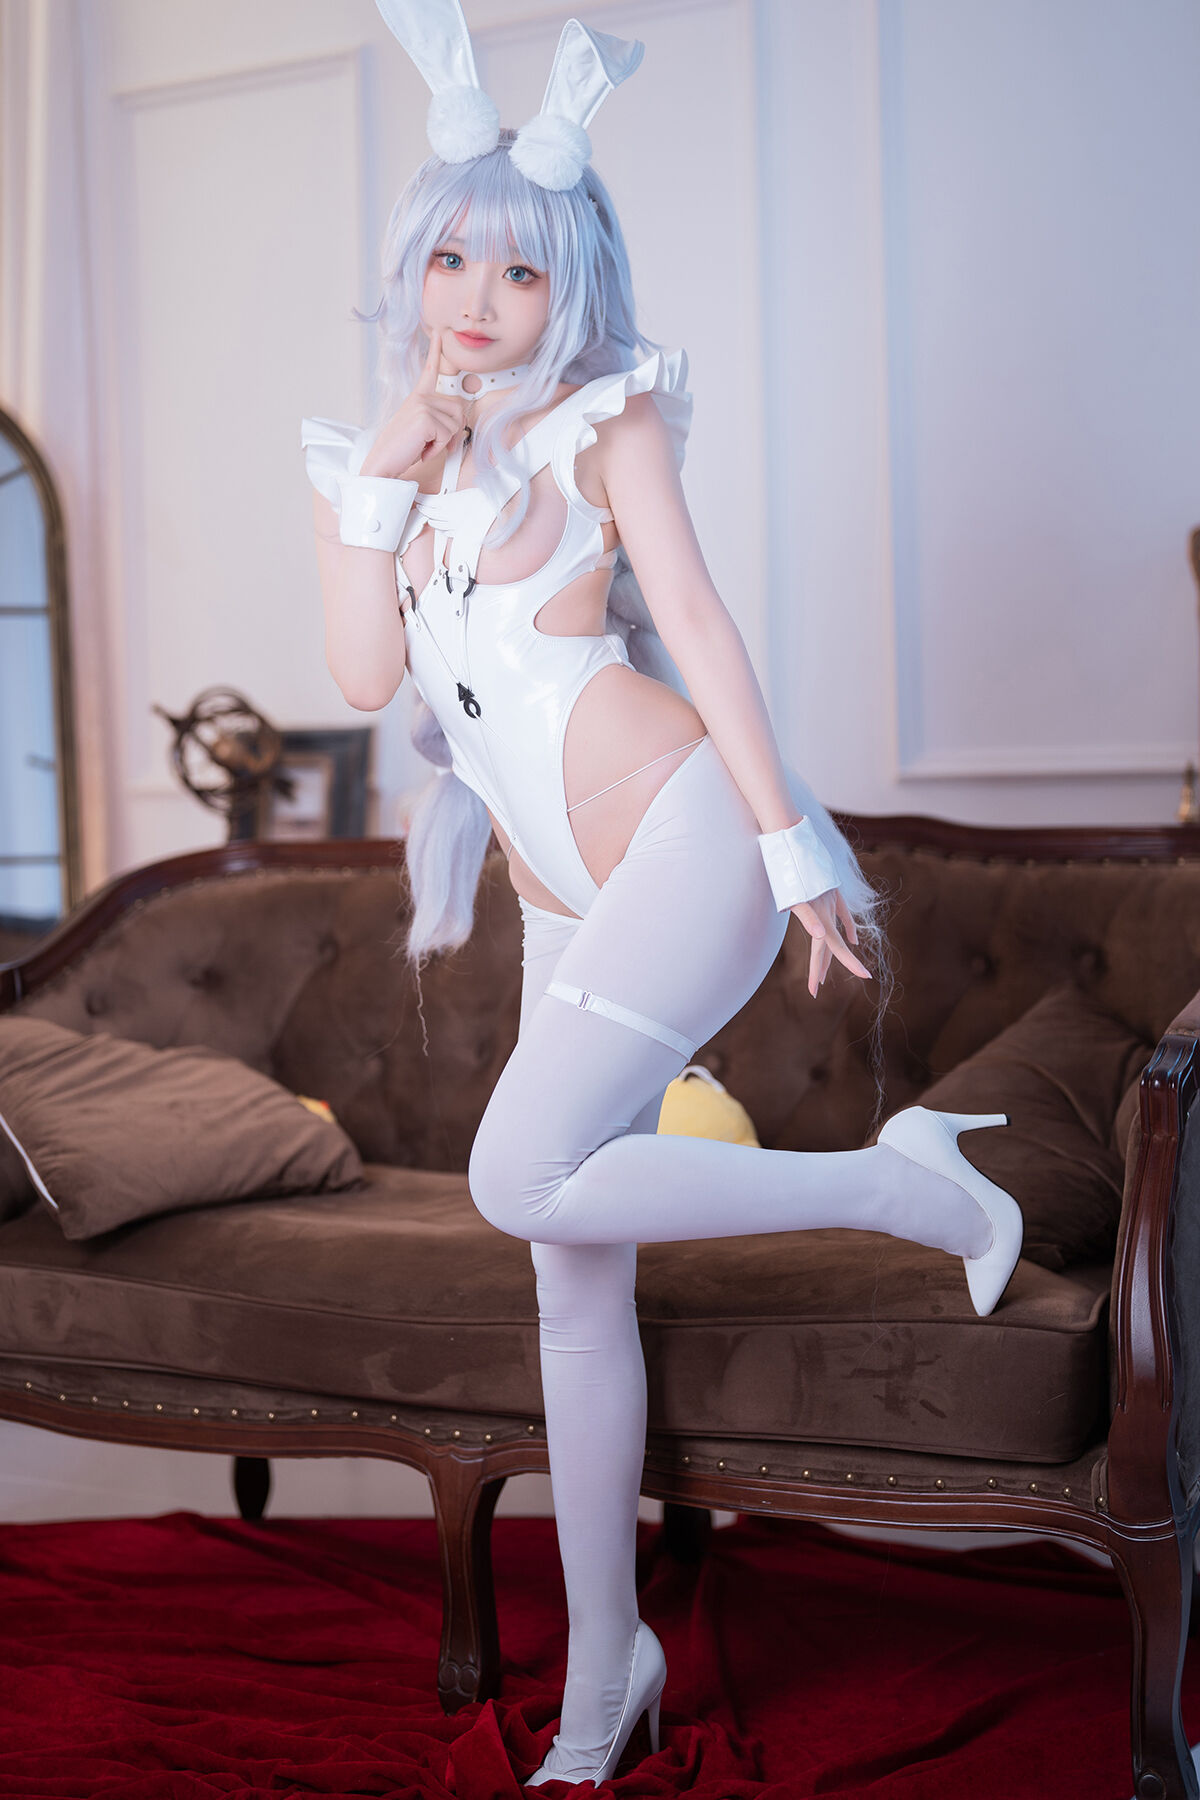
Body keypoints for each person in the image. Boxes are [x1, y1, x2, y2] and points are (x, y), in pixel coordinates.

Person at [301, 3, 1024, 1786]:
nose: (479, 297)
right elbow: (361, 677)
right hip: (563, 893)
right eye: (453, 258)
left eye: (521, 269)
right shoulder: (386, 462)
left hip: (689, 839)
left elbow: (695, 622)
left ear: (572, 288)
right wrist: (377, 477)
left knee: (515, 1175)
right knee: (574, 1283)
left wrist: (796, 846)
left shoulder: (603, 423)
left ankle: (900, 1185)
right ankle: (606, 1668)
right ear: (412, 265)